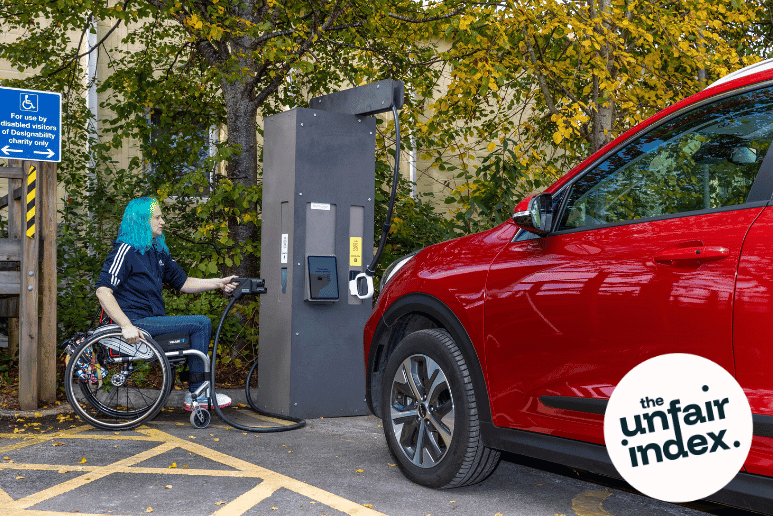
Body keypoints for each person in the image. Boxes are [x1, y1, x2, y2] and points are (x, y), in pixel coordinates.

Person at [95, 197, 238, 411]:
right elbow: (103, 291)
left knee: (199, 325)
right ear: (142, 220)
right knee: (200, 323)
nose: (163, 222)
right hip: (135, 321)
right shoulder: (125, 250)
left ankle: (197, 391)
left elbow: (183, 282)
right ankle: (198, 393)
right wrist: (126, 325)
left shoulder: (157, 251)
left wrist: (219, 283)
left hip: (152, 319)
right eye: (158, 217)